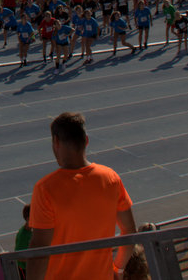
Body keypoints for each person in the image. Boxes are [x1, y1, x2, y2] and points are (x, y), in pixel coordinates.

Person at [27, 112, 136, 280]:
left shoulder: (45, 188)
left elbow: (40, 251)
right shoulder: (111, 178)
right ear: (86, 140)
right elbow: (129, 232)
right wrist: (118, 269)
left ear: (56, 141)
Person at [14, 204, 32, 279]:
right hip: (24, 270)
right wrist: (34, 260)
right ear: (28, 219)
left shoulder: (33, 230)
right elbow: (18, 256)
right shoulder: (22, 235)